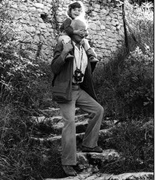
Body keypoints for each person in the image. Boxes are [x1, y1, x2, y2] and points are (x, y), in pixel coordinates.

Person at [51, 19, 104, 176]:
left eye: (85, 30)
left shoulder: (84, 47)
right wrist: (64, 52)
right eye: (80, 30)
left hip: (78, 89)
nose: (83, 33)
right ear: (72, 31)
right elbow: (54, 67)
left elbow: (87, 69)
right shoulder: (64, 44)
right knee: (70, 123)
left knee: (98, 110)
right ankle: (68, 162)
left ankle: (89, 143)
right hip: (66, 90)